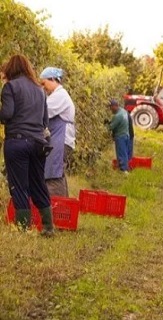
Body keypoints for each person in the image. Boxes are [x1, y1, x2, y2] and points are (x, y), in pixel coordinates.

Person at [0, 54, 54, 236]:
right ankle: (48, 227)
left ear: (11, 69)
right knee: (38, 183)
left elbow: (6, 114)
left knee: (19, 185)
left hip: (17, 142)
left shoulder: (10, 87)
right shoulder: (40, 90)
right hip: (38, 143)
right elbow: (45, 120)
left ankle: (23, 229)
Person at [40, 67, 76, 197]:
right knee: (57, 173)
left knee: (53, 176)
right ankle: (65, 209)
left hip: (61, 141)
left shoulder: (59, 96)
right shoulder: (58, 95)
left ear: (53, 79)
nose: (44, 88)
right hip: (60, 141)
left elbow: (42, 112)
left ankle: (56, 209)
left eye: (44, 83)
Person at [107, 99, 130, 174]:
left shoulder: (117, 116)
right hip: (126, 135)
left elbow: (110, 127)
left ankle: (123, 170)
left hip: (120, 136)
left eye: (111, 107)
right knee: (124, 153)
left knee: (121, 153)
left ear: (115, 106)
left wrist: (106, 125)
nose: (111, 109)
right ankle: (124, 168)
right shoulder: (123, 112)